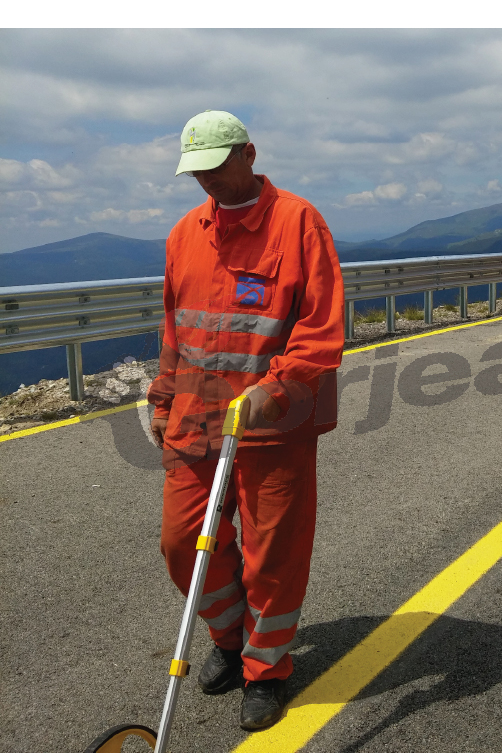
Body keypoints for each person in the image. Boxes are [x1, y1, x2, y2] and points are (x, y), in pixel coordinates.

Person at [147, 110, 344, 731]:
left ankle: (267, 669)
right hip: (195, 421)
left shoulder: (297, 222)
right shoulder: (186, 233)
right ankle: (228, 639)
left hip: (273, 423)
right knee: (183, 544)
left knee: (271, 557)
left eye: (216, 167)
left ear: (249, 154)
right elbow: (177, 330)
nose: (206, 180)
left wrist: (275, 386)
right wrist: (161, 397)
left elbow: (321, 329)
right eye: (195, 171)